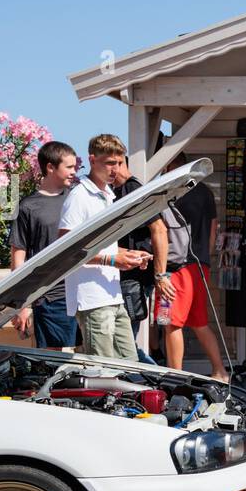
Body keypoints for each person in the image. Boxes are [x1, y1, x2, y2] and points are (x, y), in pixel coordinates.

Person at [58, 134, 150, 360]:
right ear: (92, 160)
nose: (115, 169)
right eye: (109, 163)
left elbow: (103, 247)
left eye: (119, 163)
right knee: (103, 370)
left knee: (132, 365)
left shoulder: (108, 195)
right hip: (91, 299)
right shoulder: (80, 196)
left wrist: (128, 255)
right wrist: (112, 260)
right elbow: (66, 250)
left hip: (112, 295)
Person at [10, 141, 79, 350]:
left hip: (84, 292)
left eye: (75, 167)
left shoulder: (78, 198)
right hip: (51, 298)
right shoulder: (28, 207)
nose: (74, 172)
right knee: (55, 362)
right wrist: (22, 304)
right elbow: (18, 259)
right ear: (50, 167)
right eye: (69, 167)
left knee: (92, 360)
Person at [162, 178, 229, 380]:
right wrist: (205, 257)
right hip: (199, 266)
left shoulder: (171, 192)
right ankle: (220, 370)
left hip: (175, 269)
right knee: (199, 322)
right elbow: (213, 226)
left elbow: (160, 231)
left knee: (170, 323)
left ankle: (175, 375)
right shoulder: (205, 192)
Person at [112, 154, 162, 364]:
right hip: (128, 276)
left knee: (126, 346)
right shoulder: (117, 191)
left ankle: (158, 378)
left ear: (120, 163)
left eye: (111, 164)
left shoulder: (132, 190)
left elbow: (159, 229)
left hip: (134, 278)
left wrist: (161, 275)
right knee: (124, 344)